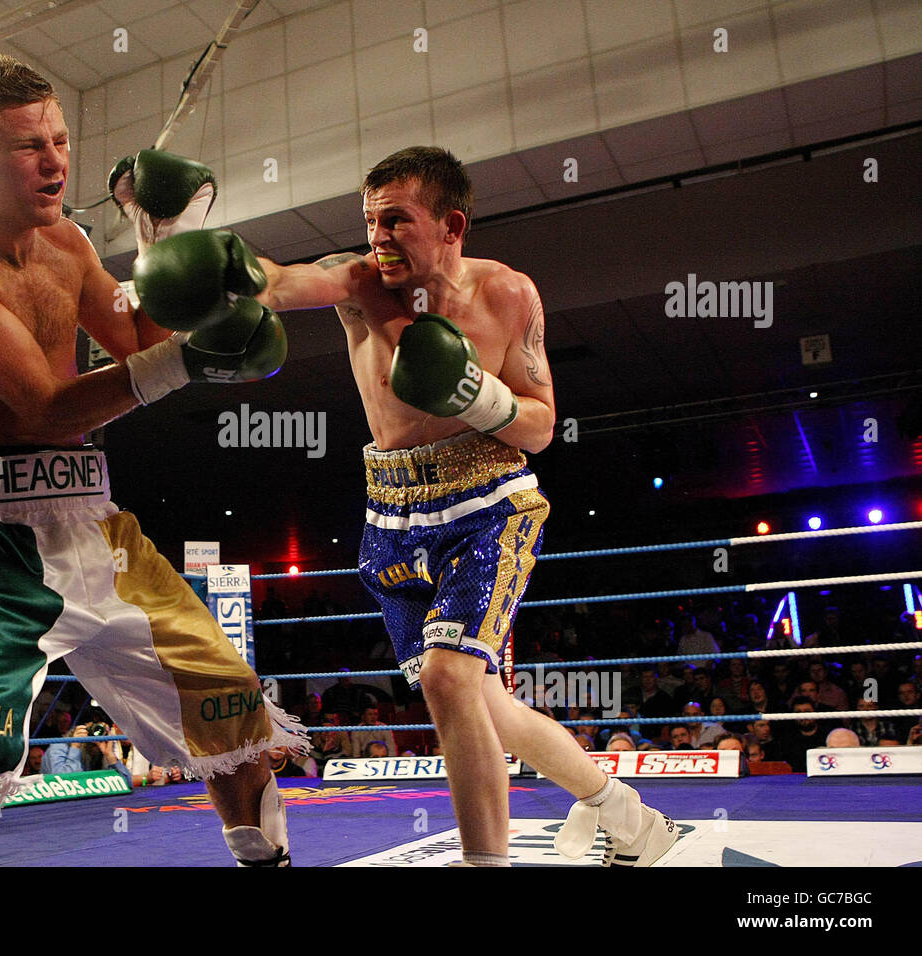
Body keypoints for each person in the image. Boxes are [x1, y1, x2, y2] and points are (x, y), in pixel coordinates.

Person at [0, 53, 304, 869]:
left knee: (226, 697)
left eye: (60, 139)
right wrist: (196, 361)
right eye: (28, 146)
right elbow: (45, 408)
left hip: (92, 518)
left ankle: (267, 861)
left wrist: (165, 246)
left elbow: (135, 342)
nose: (56, 160)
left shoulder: (68, 242)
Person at [246, 145, 676, 866]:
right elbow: (279, 283)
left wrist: (478, 395)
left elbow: (539, 426)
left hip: (489, 504)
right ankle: (627, 816)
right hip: (390, 514)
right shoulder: (359, 282)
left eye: (395, 221)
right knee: (485, 705)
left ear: (451, 224)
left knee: (450, 679)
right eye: (370, 221)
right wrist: (187, 245)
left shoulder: (508, 294)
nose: (378, 238)